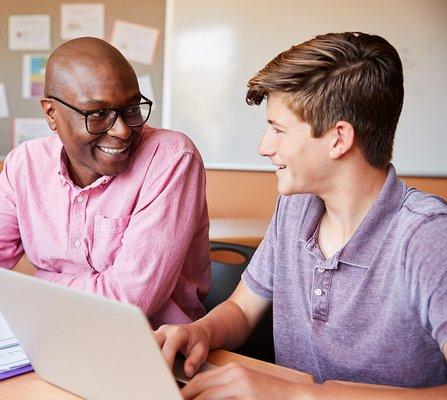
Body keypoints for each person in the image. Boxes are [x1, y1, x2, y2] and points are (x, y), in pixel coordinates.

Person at [155, 32, 447, 398]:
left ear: (338, 138)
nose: (264, 147)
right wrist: (202, 331)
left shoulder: (427, 237)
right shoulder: (296, 207)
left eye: (278, 129)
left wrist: (297, 395)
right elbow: (243, 311)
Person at [0, 37, 210, 328]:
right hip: (51, 334)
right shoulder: (23, 165)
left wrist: (38, 282)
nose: (123, 130)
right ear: (51, 113)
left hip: (154, 347)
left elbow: (128, 303)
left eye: (132, 108)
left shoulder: (171, 157)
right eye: (98, 114)